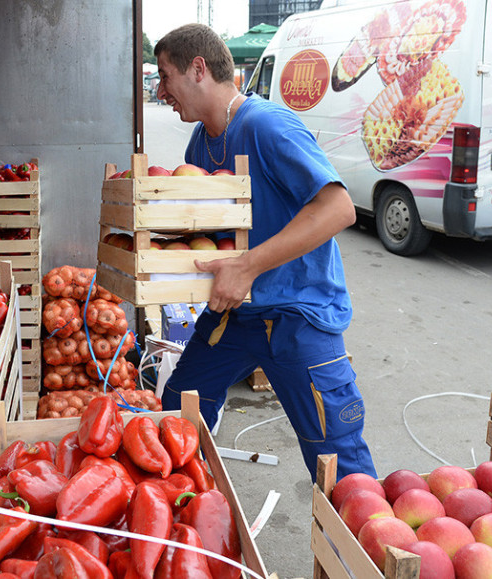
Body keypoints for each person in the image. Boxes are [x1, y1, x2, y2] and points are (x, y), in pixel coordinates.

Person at [154, 23, 377, 482]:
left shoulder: (265, 126)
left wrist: (248, 266)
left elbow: (338, 209)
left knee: (339, 464)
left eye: (165, 76)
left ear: (198, 69)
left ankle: (357, 553)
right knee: (176, 413)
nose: (160, 91)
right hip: (234, 316)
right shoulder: (201, 142)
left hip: (299, 316)